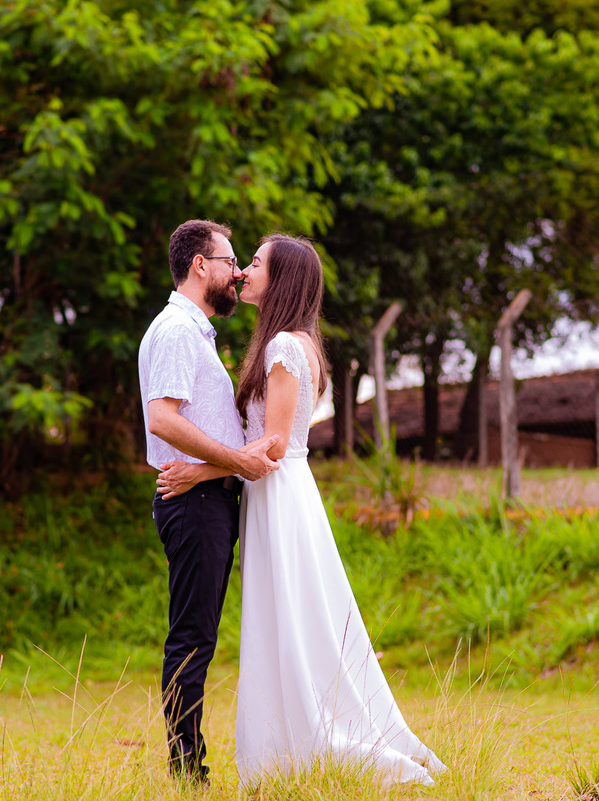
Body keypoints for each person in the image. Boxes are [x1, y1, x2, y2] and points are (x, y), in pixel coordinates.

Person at [156, 234, 444, 787]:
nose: (243, 273)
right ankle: (287, 745)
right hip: (275, 492)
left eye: (255, 264)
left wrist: (200, 469)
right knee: (285, 618)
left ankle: (307, 742)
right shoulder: (289, 342)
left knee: (288, 618)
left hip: (279, 492)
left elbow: (275, 444)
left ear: (281, 278)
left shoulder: (285, 346)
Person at [138, 219, 283, 786]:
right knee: (193, 637)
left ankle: (188, 766)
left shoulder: (194, 332)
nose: (236, 272)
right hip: (195, 508)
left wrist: (217, 466)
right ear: (200, 265)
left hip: (208, 496)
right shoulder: (176, 331)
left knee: (199, 634)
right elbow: (162, 418)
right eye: (228, 262)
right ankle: (186, 772)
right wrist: (235, 461)